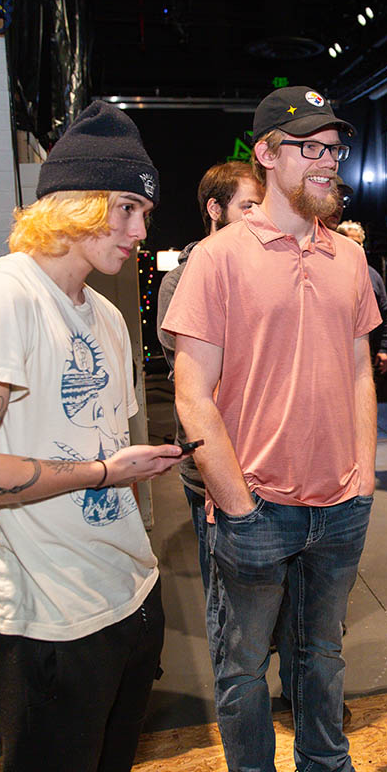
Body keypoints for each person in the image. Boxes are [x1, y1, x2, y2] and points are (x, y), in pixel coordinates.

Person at [0, 101, 187, 772]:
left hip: (128, 594)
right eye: (125, 208)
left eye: (145, 213)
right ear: (71, 204)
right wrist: (104, 474)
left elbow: (94, 442)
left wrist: (125, 468)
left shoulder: (103, 313)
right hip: (47, 625)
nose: (138, 230)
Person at [163, 86, 380, 772]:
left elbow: (359, 375)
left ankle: (327, 764)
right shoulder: (219, 257)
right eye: (307, 148)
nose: (327, 162)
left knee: (323, 658)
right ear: (265, 154)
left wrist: (365, 477)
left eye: (333, 149)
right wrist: (235, 504)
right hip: (254, 505)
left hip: (340, 506)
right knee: (243, 670)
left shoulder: (348, 259)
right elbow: (192, 392)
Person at [156, 160, 263, 588]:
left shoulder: (265, 274)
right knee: (225, 585)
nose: (258, 217)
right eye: (248, 206)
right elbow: (196, 380)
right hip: (211, 464)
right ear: (215, 209)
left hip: (268, 458)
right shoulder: (181, 281)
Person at [338, 219, 387, 374]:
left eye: (359, 243)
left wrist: (384, 349)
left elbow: (386, 315)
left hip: (365, 352)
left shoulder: (373, 275)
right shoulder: (326, 272)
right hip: (336, 353)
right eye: (350, 242)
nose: (356, 247)